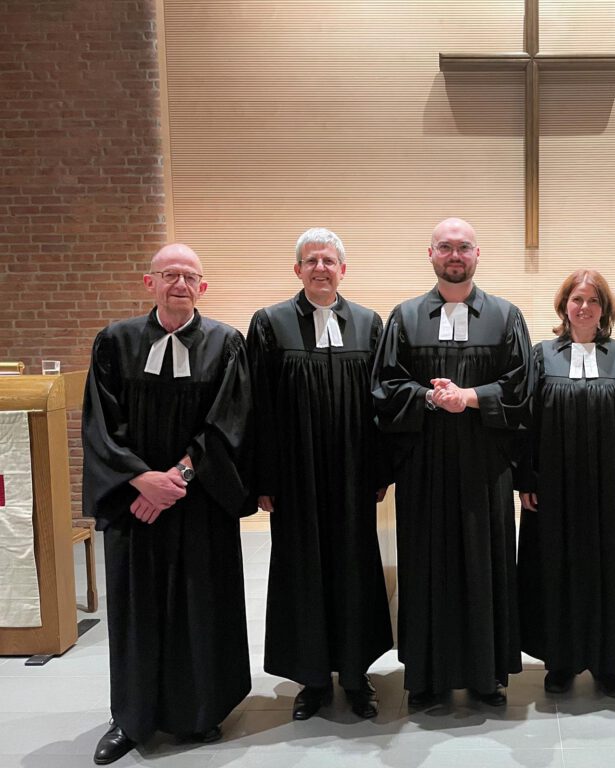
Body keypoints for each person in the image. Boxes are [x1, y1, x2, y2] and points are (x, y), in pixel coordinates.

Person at [82, 244, 252, 765]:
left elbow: (228, 422)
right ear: (148, 282)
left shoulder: (226, 343)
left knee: (199, 606)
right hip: (135, 503)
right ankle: (130, 719)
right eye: (169, 274)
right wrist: (141, 481)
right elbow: (99, 425)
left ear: (203, 288)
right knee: (137, 610)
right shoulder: (115, 341)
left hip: (198, 499)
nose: (180, 283)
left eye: (190, 276)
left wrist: (175, 478)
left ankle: (199, 713)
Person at [371, 217, 532, 707]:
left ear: (478, 255)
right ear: (431, 255)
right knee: (426, 566)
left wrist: (471, 397)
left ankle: (488, 677)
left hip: (485, 464)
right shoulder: (404, 316)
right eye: (446, 247)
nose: (455, 255)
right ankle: (426, 675)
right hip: (425, 465)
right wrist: (427, 397)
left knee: (486, 565)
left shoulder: (505, 316)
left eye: (464, 247)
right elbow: (384, 386)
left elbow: (523, 387)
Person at [247, 227, 392, 721]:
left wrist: (379, 470)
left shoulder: (370, 324)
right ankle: (311, 679)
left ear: (343, 270)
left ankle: (354, 675)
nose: (320, 268)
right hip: (296, 477)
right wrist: (264, 479)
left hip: (353, 475)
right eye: (311, 261)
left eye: (329, 260)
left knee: (354, 566)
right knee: (301, 568)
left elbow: (381, 406)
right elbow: (258, 406)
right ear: (298, 270)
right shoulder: (269, 324)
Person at [516, 269, 615, 698]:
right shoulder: (541, 357)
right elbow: (526, 422)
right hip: (554, 491)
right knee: (554, 569)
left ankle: (610, 663)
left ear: (605, 310)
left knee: (610, 571)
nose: (584, 307)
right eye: (576, 299)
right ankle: (560, 661)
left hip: (611, 492)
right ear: (563, 307)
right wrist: (526, 478)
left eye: (593, 301)